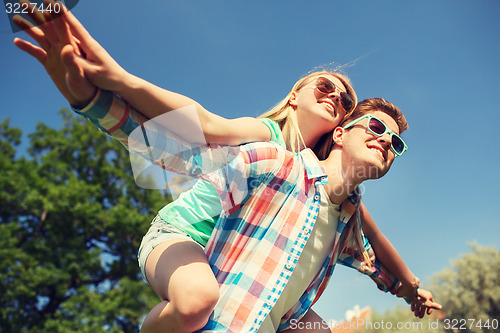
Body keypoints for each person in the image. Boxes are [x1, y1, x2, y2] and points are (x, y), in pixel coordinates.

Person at [13, 2, 440, 332]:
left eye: (345, 101)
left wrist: (410, 286)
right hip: (184, 235)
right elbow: (187, 136)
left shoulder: (339, 203)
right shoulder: (264, 143)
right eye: (324, 87)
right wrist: (108, 85)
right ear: (295, 97)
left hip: (244, 265)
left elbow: (375, 244)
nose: (335, 99)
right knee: (198, 300)